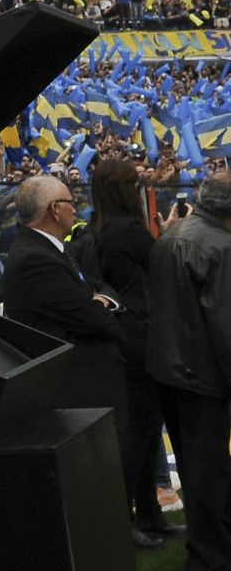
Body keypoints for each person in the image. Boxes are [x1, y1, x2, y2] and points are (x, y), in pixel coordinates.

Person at [1, 176, 145, 543]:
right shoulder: (35, 258)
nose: (76, 207)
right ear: (54, 210)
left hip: (90, 381)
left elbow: (98, 292)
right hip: (81, 385)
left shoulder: (52, 250)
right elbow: (93, 315)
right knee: (97, 477)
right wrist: (100, 308)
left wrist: (100, 303)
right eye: (70, 200)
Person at [88, 156, 178, 539]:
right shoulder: (127, 230)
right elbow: (166, 263)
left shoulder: (101, 228)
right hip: (142, 338)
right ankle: (127, 520)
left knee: (142, 431)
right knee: (139, 433)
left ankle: (148, 515)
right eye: (135, 185)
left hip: (128, 337)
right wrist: (171, 231)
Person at [149, 173, 231, 571]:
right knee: (210, 480)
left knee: (199, 475)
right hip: (203, 377)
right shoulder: (220, 246)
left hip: (170, 372)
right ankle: (210, 558)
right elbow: (225, 326)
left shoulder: (173, 235)